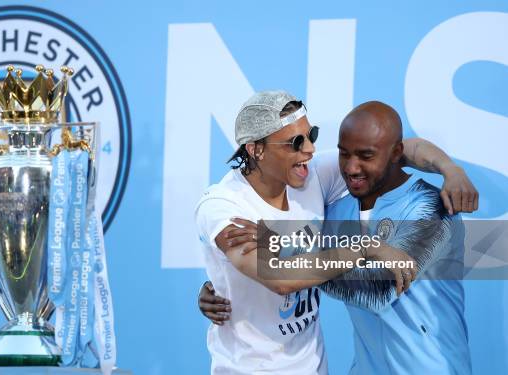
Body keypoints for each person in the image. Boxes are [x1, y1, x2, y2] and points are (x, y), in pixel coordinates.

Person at [195, 91, 477, 374]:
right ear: (256, 149)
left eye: (311, 135)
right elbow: (278, 276)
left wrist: (450, 169)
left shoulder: (312, 176)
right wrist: (224, 281)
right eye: (296, 142)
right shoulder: (223, 207)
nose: (310, 150)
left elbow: (399, 149)